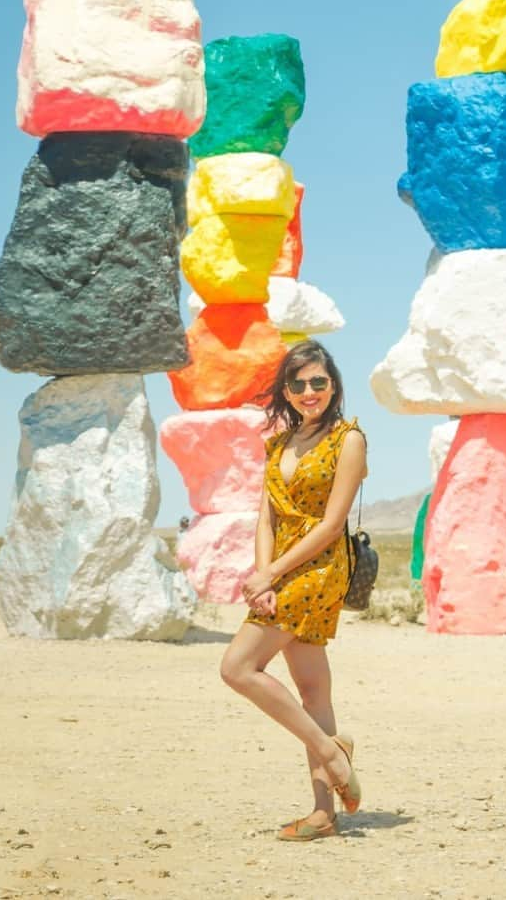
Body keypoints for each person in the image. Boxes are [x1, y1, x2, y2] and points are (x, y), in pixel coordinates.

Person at [219, 340, 367, 842]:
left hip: (319, 569)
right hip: (281, 569)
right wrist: (263, 577)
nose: (309, 392)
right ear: (286, 390)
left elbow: (330, 526)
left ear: (333, 386)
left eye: (319, 383)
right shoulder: (278, 444)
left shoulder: (348, 439)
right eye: (298, 384)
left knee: (237, 667)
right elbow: (266, 516)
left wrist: (272, 574)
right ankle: (324, 813)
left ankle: (331, 753)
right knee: (312, 689)